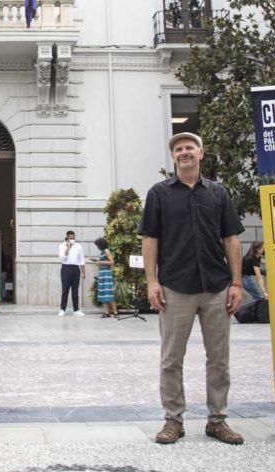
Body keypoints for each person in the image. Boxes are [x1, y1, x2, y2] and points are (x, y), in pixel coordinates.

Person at [140, 132, 246, 445]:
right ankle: (173, 421)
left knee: (219, 359)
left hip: (216, 287)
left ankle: (217, 420)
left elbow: (231, 239)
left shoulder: (218, 193)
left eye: (189, 148)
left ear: (201, 153)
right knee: (171, 359)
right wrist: (151, 281)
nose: (184, 152)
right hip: (175, 287)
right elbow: (150, 239)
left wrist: (237, 283)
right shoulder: (159, 194)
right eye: (178, 149)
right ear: (173, 157)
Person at [57, 230, 86, 316]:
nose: (72, 239)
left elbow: (82, 260)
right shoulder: (62, 246)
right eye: (70, 238)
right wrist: (68, 247)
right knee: (65, 290)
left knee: (75, 290)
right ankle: (62, 309)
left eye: (73, 238)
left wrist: (83, 272)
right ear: (67, 238)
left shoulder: (78, 246)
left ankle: (76, 310)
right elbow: (62, 258)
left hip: (75, 269)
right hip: (66, 268)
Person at [93, 237, 118, 318]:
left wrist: (100, 261)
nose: (97, 247)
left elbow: (112, 262)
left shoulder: (106, 250)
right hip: (102, 274)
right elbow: (105, 261)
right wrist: (97, 260)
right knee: (104, 293)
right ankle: (107, 312)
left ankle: (115, 312)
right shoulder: (102, 252)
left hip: (106, 274)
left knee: (109, 293)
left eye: (98, 245)